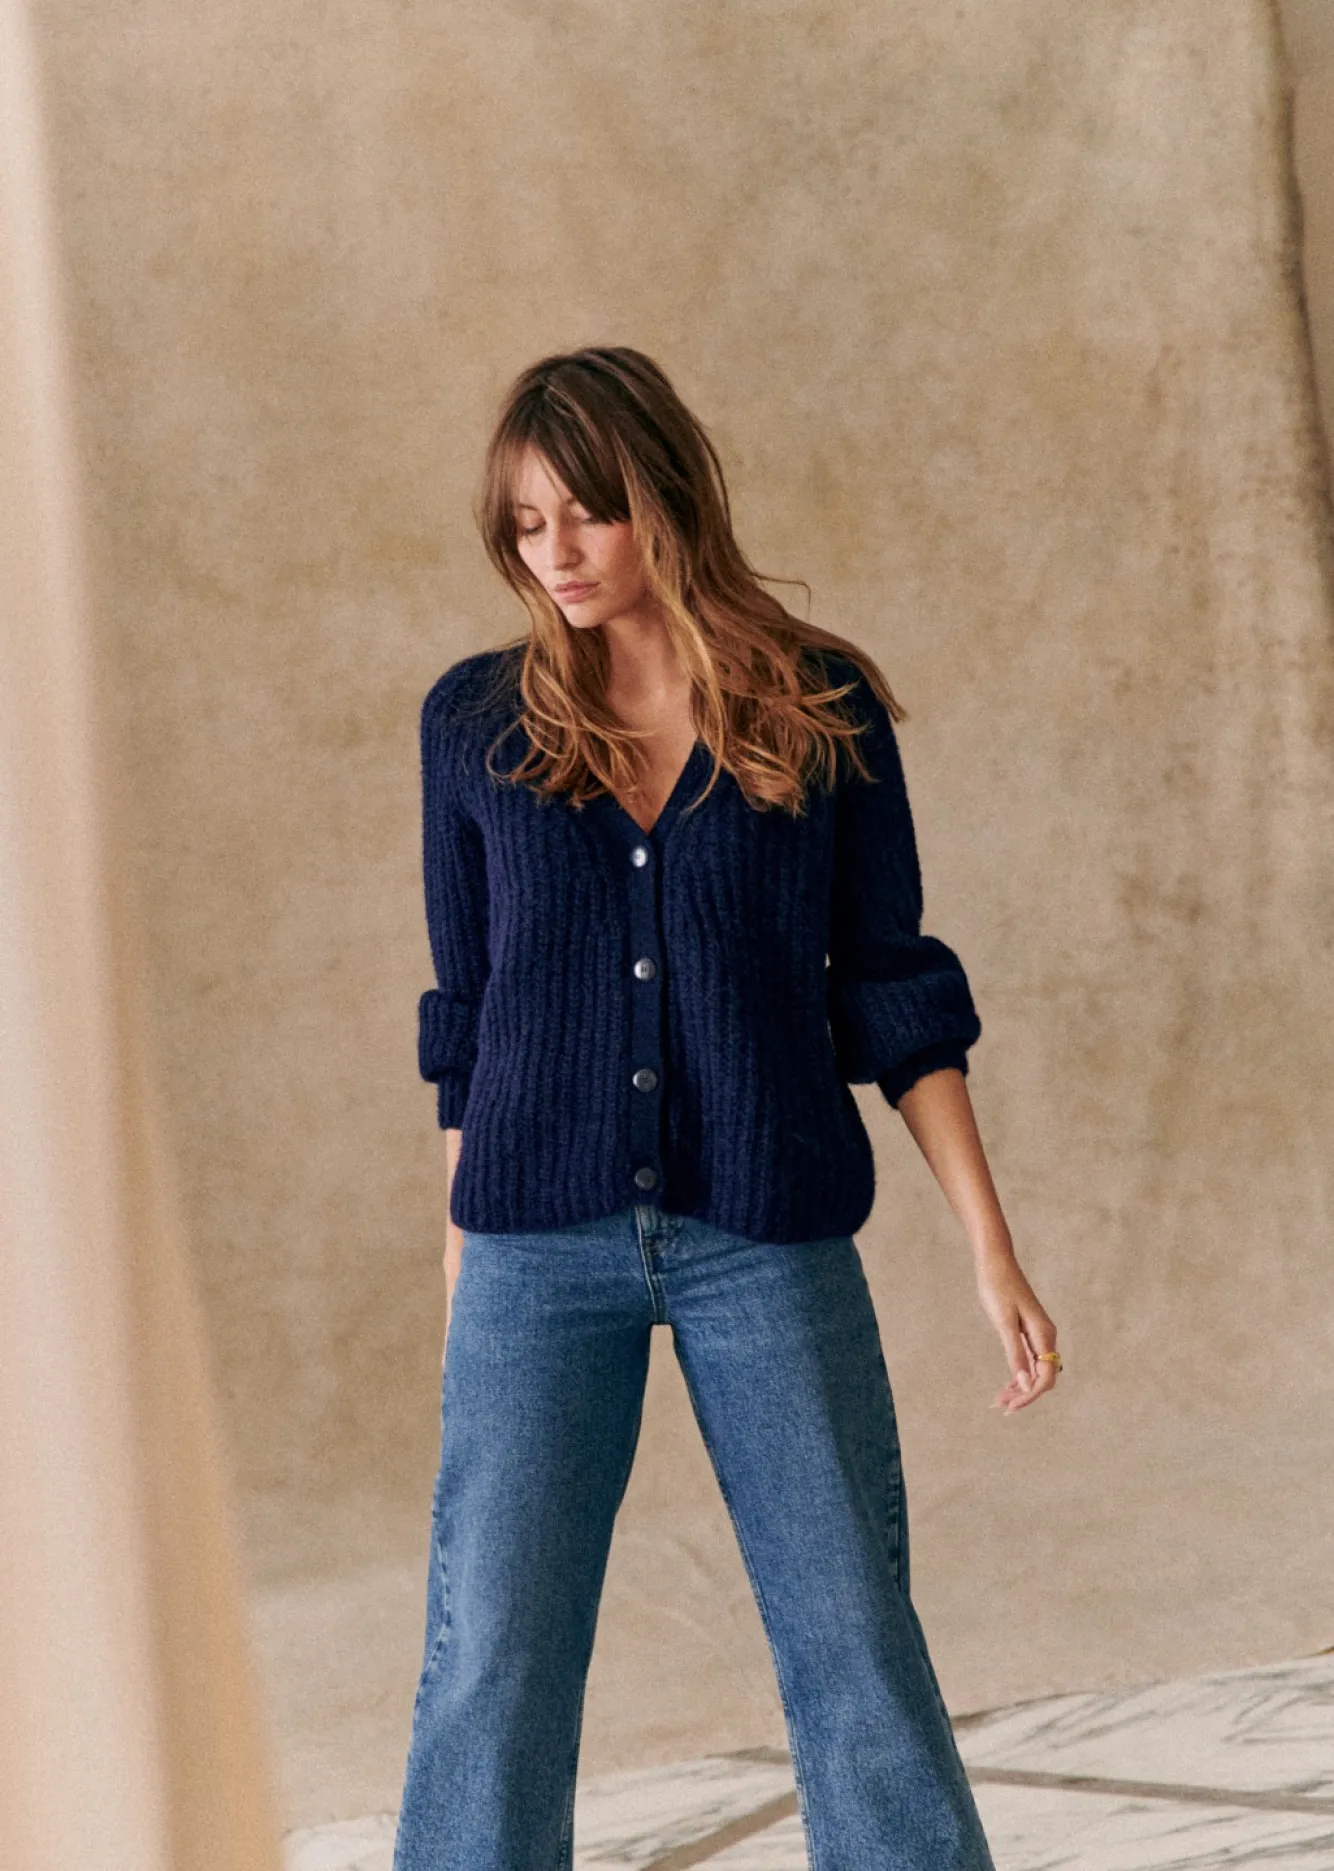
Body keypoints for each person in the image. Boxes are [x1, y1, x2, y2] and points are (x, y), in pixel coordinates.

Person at [392, 345, 1060, 1871]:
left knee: (851, 1635)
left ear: (665, 499)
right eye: (524, 525)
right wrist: (457, 1259)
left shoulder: (814, 702)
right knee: (491, 1648)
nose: (554, 554)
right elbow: (468, 1015)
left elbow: (890, 988)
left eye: (586, 513)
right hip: (532, 1244)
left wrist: (989, 1248)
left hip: (762, 1231)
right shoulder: (474, 723)